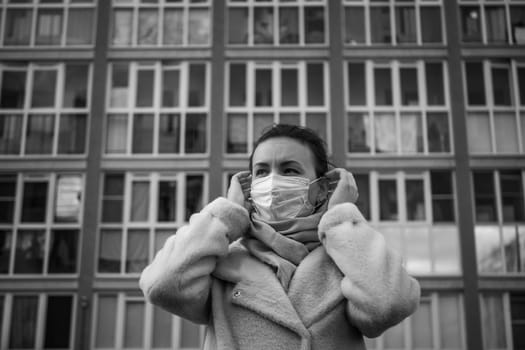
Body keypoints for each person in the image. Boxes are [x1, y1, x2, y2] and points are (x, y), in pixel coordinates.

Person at [140, 124, 420, 350]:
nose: (272, 181)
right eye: (261, 172)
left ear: (321, 190)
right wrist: (228, 214)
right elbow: (162, 285)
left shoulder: (347, 262)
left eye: (289, 170)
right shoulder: (222, 263)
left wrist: (341, 220)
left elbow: (390, 304)